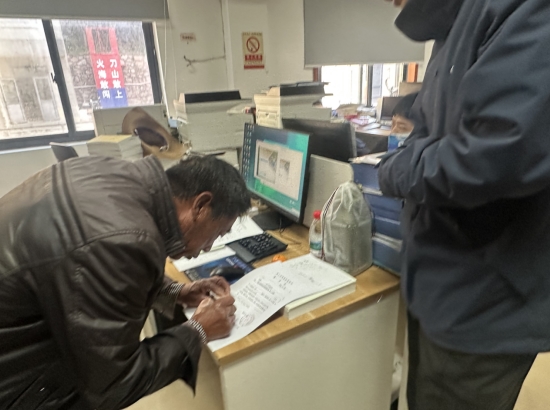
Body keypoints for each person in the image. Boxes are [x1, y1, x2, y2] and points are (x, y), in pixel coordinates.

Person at [379, 0, 550, 409]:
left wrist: (397, 170)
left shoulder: (522, 10)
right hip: (437, 281)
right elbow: (423, 125)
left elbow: (497, 154)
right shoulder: (453, 23)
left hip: (484, 302)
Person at [0, 154, 250, 409]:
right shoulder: (122, 242)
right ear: (201, 206)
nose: (208, 247)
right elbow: (113, 384)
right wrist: (198, 330)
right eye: (218, 232)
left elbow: (89, 276)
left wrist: (176, 291)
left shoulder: (115, 174)